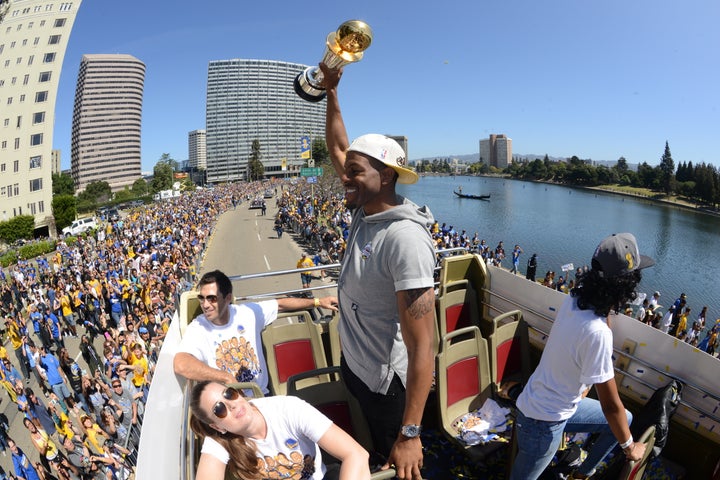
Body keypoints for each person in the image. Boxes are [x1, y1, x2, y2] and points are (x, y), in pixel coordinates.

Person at [321, 62, 437, 479]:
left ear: (386, 176)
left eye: (355, 171)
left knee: (400, 466)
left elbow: (425, 345)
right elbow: (337, 148)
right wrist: (332, 92)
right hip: (357, 367)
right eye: (347, 170)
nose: (344, 177)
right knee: (372, 446)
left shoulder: (404, 240)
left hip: (387, 386)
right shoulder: (365, 208)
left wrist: (409, 433)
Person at [510, 233, 651, 479]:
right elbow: (610, 406)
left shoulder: (576, 298)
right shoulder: (597, 334)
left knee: (625, 419)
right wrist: (631, 448)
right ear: (626, 286)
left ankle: (583, 473)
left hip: (550, 403)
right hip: (542, 424)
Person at [173, 270, 337, 394]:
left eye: (212, 298)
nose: (205, 305)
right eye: (202, 298)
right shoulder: (198, 327)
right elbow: (181, 364)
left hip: (262, 396)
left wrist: (317, 302)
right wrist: (224, 377)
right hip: (230, 403)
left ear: (228, 298)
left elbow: (280, 304)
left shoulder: (248, 313)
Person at [189, 380, 370, 480]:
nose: (232, 405)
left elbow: (356, 454)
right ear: (217, 426)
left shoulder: (288, 409)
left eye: (229, 393)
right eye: (219, 409)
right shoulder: (220, 440)